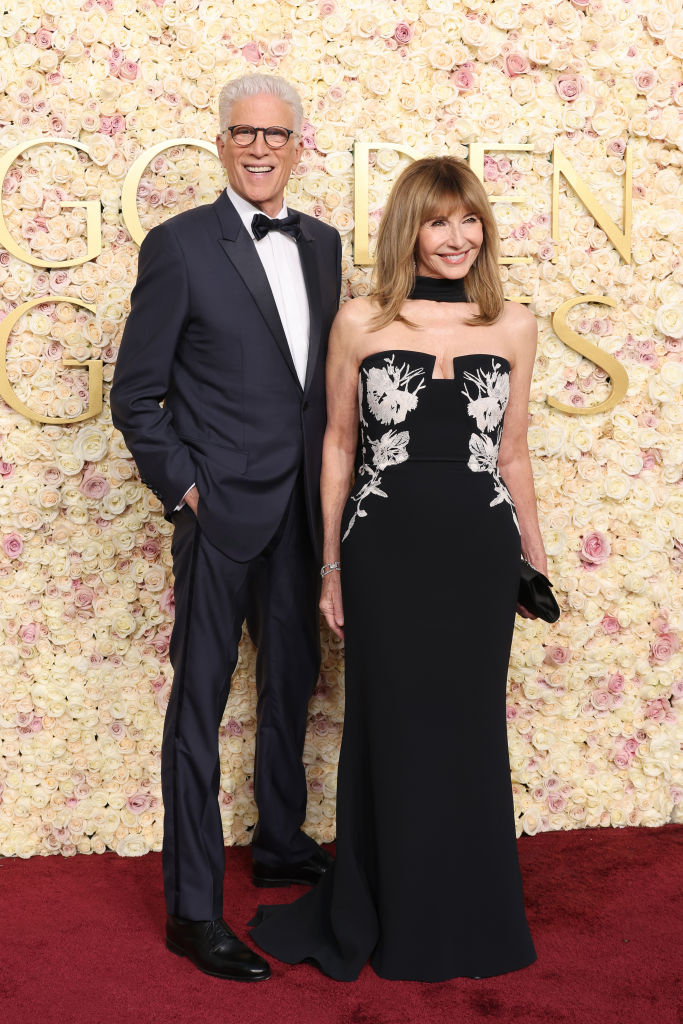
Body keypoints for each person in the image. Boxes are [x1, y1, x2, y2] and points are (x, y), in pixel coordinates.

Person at [249, 156, 546, 981]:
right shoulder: (361, 322)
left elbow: (512, 450)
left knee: (469, 728)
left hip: (478, 553)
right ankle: (389, 904)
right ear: (407, 229)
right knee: (390, 725)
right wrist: (331, 568)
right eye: (437, 221)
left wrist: (534, 552)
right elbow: (338, 446)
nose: (456, 238)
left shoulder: (513, 323)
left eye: (468, 220)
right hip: (385, 552)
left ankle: (472, 911)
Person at [110, 74, 342, 982]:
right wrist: (187, 492)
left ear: (297, 146)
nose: (257, 148)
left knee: (293, 686)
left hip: (301, 513)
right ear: (219, 143)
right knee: (198, 707)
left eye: (274, 136)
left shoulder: (321, 245)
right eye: (242, 133)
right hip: (219, 514)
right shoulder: (177, 245)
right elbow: (137, 393)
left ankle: (281, 843)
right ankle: (193, 909)